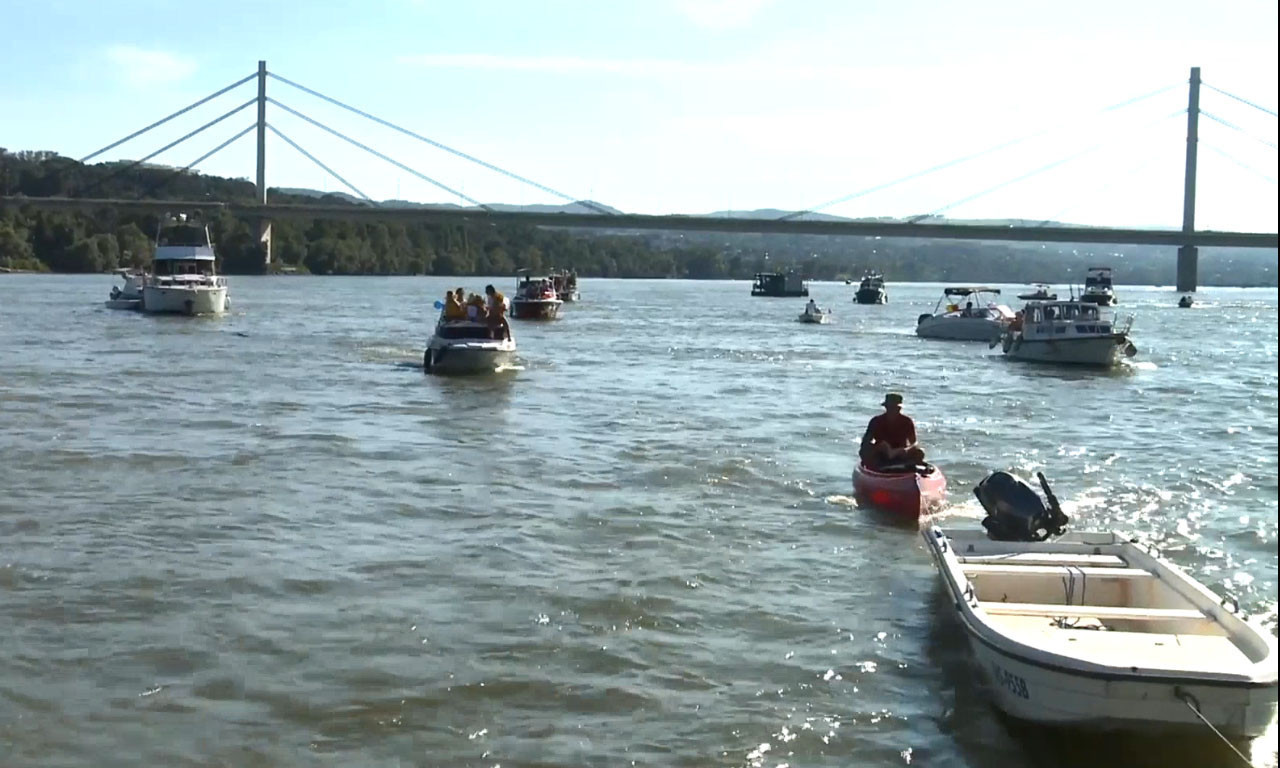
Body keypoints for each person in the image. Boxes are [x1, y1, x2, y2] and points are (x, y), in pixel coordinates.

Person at [860, 393, 926, 470]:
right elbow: (866, 441)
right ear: (886, 408)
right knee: (865, 451)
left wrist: (905, 450)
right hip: (881, 454)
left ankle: (907, 468)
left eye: (896, 408)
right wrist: (881, 446)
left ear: (900, 408)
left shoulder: (907, 421)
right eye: (890, 407)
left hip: (901, 453)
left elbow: (914, 443)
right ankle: (876, 469)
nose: (893, 410)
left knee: (920, 452)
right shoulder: (876, 421)